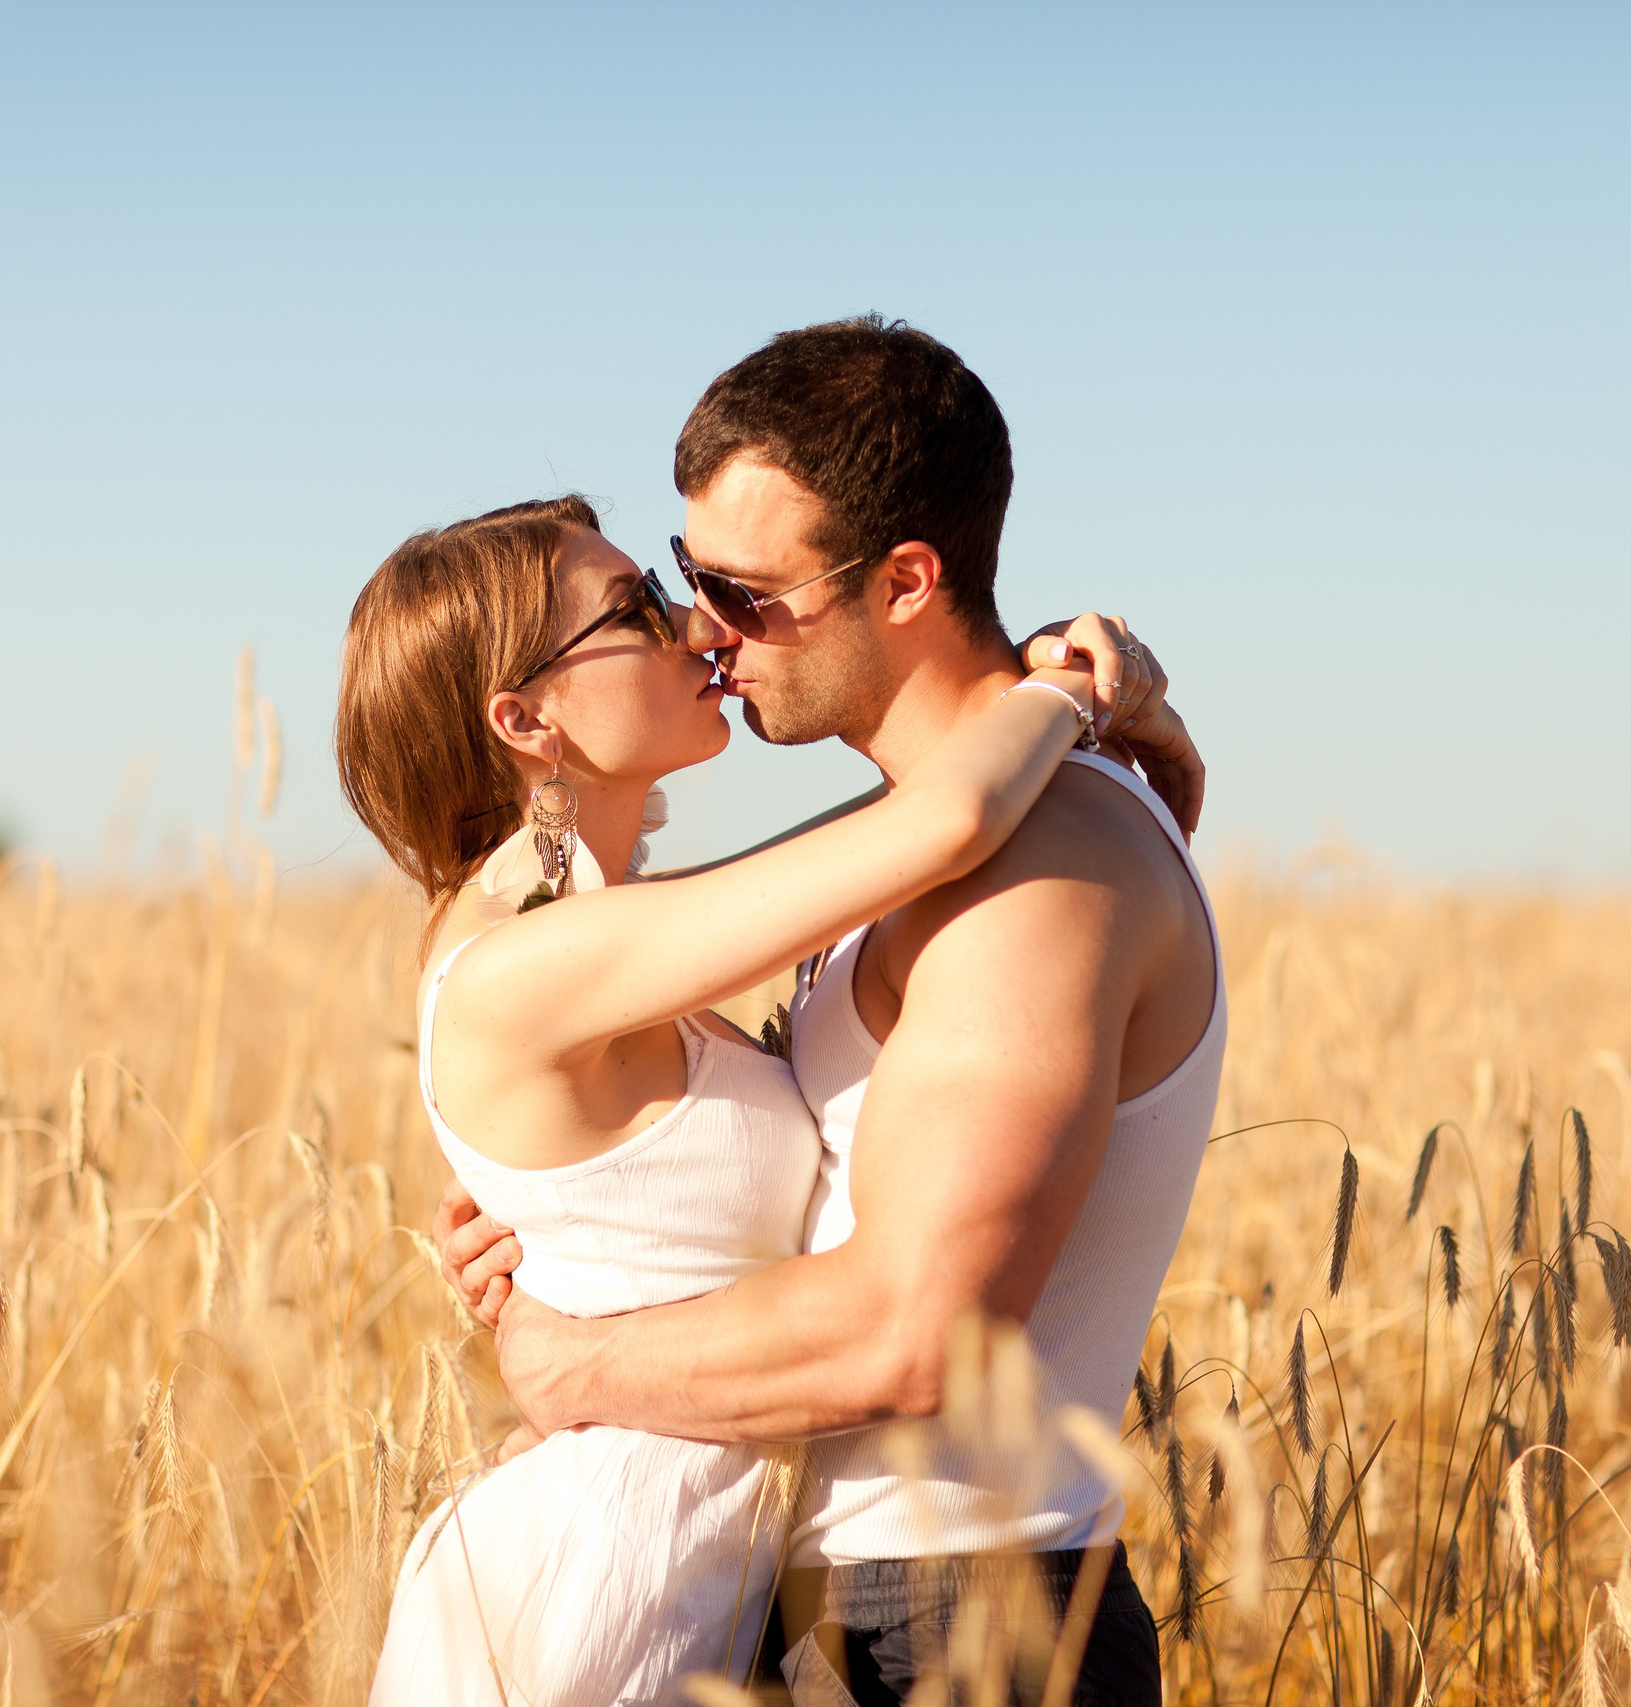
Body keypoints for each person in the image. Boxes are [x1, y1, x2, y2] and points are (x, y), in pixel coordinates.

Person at [435, 318, 1225, 1705]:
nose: (705, 631)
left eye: (743, 592)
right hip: (810, 1615)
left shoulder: (1036, 873)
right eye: (685, 582)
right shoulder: (906, 844)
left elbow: (915, 1329)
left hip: (967, 1630)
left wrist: (577, 1361)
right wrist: (574, 1240)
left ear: (909, 578)